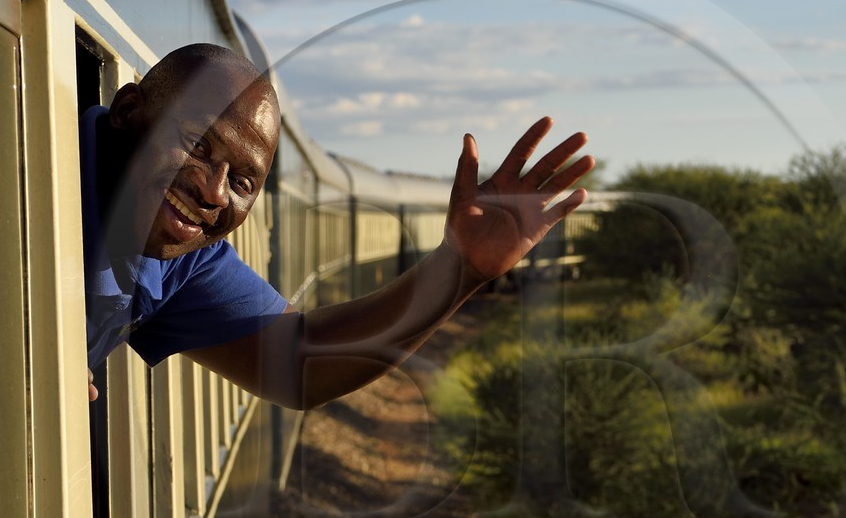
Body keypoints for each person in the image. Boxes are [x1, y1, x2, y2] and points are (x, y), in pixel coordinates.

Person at [82, 42, 593, 405]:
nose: (215, 192)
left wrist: (460, 268)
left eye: (241, 182)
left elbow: (300, 364)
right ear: (127, 111)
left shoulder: (184, 258)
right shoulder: (34, 168)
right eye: (197, 145)